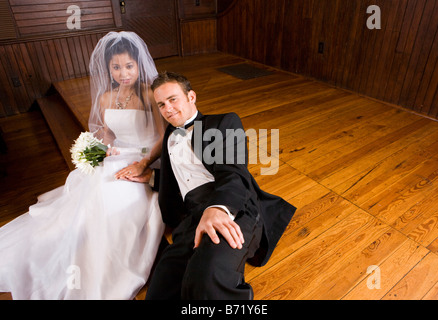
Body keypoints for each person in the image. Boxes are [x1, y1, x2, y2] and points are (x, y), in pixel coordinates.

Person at [0, 31, 166, 299]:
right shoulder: (105, 99)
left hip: (146, 157)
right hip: (118, 155)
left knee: (114, 196)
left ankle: (103, 262)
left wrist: (144, 164)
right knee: (90, 185)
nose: (123, 73)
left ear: (139, 65)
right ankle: (71, 247)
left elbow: (161, 136)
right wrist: (101, 147)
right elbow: (108, 133)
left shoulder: (149, 95)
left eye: (129, 66)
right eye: (116, 67)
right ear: (109, 69)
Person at [137, 71, 296, 299]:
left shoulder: (224, 121)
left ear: (191, 96)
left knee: (208, 276)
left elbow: (234, 171)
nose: (167, 109)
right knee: (163, 284)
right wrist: (151, 177)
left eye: (173, 99)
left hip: (233, 204)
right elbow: (179, 181)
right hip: (190, 216)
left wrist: (217, 208)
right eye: (161, 104)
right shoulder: (169, 137)